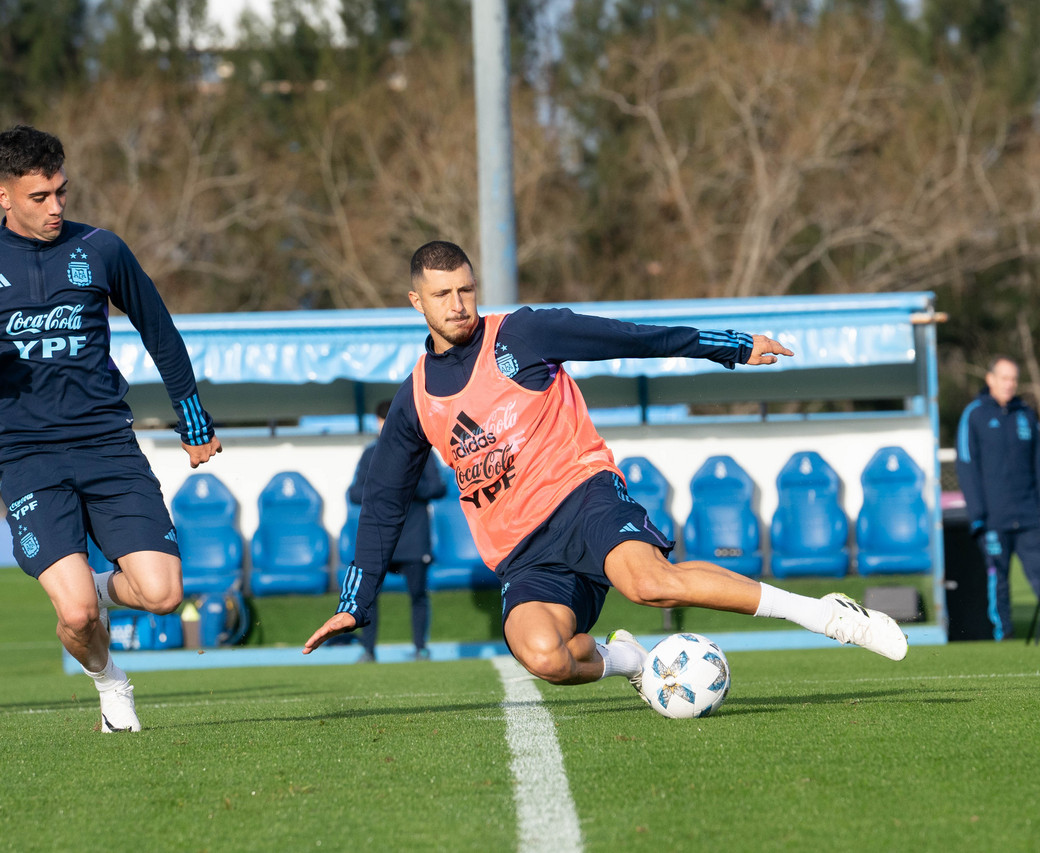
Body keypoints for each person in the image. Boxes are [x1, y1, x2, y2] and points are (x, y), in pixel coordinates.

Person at [305, 240, 907, 692]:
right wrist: (355, 603)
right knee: (546, 658)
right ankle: (629, 661)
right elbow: (383, 501)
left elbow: (628, 336)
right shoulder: (415, 400)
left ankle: (828, 615)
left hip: (583, 495)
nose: (459, 304)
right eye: (443, 294)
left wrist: (723, 345)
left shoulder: (522, 335)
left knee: (650, 584)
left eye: (466, 289)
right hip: (522, 552)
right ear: (416, 301)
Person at [0, 125, 222, 732]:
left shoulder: (101, 249)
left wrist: (193, 419)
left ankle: (98, 586)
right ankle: (111, 684)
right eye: (39, 197)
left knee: (163, 595)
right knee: (73, 615)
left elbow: (160, 331)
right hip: (26, 457)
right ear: (4, 196)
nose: (55, 207)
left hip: (107, 446)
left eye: (61, 193)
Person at [955, 356, 1040, 642]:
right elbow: (966, 467)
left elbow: (1039, 466)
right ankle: (1003, 633)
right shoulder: (975, 415)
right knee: (998, 579)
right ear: (990, 379)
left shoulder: (1026, 415)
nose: (1010, 384)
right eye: (1004, 378)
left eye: (1013, 379)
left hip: (1028, 514)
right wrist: (978, 514)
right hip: (993, 518)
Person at [348, 399, 446, 662]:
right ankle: (368, 651)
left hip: (414, 538)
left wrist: (407, 488)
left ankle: (420, 648)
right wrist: (383, 491)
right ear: (378, 423)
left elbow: (439, 488)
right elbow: (354, 493)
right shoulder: (371, 454)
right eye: (383, 421)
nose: (386, 425)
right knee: (368, 597)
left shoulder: (422, 451)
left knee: (417, 595)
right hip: (380, 540)